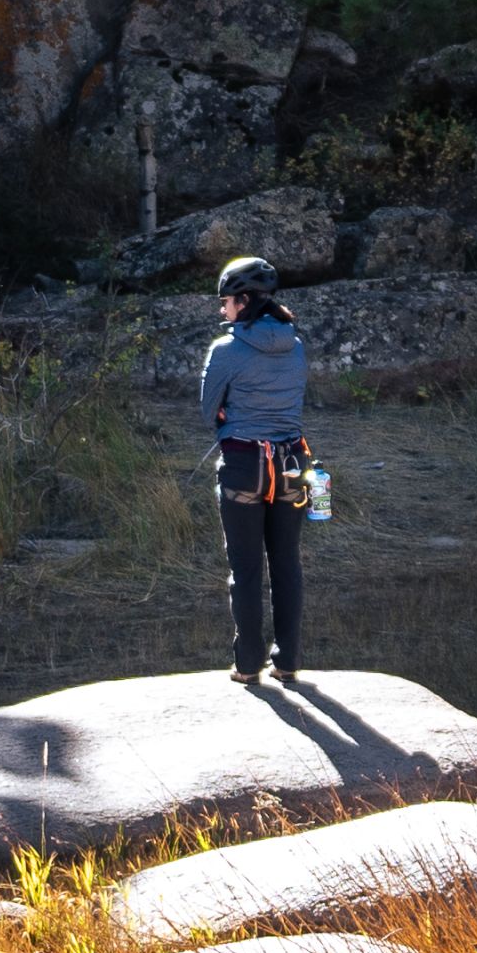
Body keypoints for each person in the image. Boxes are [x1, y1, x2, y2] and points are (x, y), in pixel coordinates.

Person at [199, 254, 309, 684]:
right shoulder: (296, 344)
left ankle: (248, 665)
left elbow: (209, 410)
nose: (222, 310)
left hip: (245, 464)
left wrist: (232, 417)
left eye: (225, 301)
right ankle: (289, 660)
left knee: (246, 568)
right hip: (293, 464)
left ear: (243, 301)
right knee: (287, 563)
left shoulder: (225, 349)